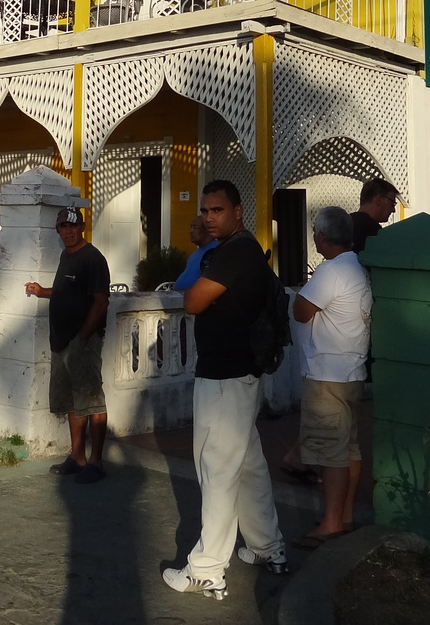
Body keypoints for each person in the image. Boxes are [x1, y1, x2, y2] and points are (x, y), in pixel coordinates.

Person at [162, 180, 286, 600]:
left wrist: (202, 294)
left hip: (225, 379)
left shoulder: (236, 252)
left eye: (217, 210)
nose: (209, 218)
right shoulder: (237, 250)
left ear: (237, 210)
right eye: (205, 211)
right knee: (247, 466)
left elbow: (193, 301)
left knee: (216, 470)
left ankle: (207, 570)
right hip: (238, 374)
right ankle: (269, 547)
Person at [291, 206, 372, 548]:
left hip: (327, 375)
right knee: (349, 447)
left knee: (330, 453)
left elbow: (301, 310)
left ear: (322, 237)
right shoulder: (356, 267)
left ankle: (332, 523)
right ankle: (346, 515)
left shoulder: (331, 271)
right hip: (352, 371)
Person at [24, 206, 110, 485]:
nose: (68, 231)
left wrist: (83, 336)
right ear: (58, 230)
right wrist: (42, 291)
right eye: (64, 227)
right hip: (60, 342)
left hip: (81, 342)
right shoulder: (66, 255)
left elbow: (101, 301)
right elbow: (64, 293)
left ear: (82, 227)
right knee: (72, 401)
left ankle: (96, 461)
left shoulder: (92, 258)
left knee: (92, 401)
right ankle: (77, 457)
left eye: (73, 226)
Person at [350, 178, 399, 253]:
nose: (393, 210)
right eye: (393, 203)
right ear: (379, 199)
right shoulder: (373, 231)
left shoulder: (346, 223)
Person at [172, 214, 218, 291]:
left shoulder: (214, 251)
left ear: (207, 230)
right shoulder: (194, 254)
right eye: (191, 227)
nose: (191, 231)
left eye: (195, 227)